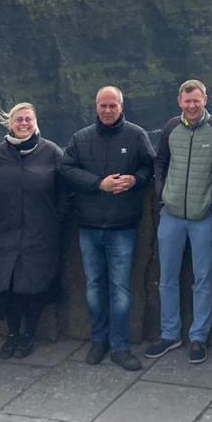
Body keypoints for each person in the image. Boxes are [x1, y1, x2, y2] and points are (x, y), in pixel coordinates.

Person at [60, 85, 155, 371]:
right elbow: (65, 169)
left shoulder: (137, 136)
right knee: (93, 287)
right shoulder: (81, 138)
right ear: (96, 106)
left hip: (122, 225)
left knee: (120, 288)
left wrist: (135, 180)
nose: (108, 110)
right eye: (103, 105)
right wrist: (97, 183)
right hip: (88, 225)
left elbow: (150, 167)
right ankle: (98, 341)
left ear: (122, 107)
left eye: (113, 105)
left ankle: (120, 346)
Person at [146, 79, 212, 364]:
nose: (192, 105)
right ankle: (170, 334)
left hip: (204, 216)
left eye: (197, 100)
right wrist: (162, 193)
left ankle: (198, 337)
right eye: (187, 100)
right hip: (171, 215)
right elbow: (160, 162)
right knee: (167, 277)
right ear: (179, 101)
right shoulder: (170, 127)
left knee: (202, 278)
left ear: (205, 99)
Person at [0, 102, 66, 360]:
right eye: (18, 120)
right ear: (10, 123)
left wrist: (53, 221)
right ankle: (12, 335)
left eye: (28, 119)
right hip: (4, 234)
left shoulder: (52, 153)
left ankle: (28, 334)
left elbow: (64, 193)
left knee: (33, 288)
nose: (23, 124)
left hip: (40, 235)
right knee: (7, 287)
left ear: (36, 121)